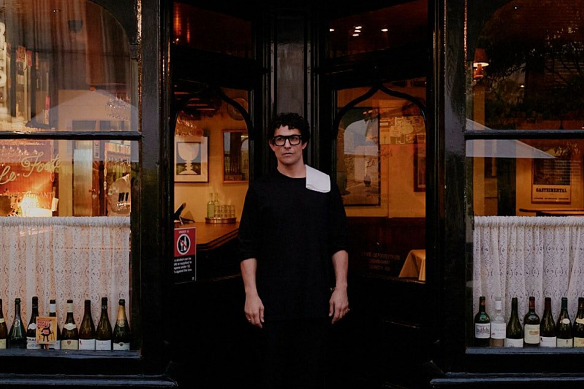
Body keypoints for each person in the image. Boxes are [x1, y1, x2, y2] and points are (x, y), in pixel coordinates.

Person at [238, 112, 350, 389]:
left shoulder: (325, 186)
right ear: (271, 145)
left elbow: (339, 242)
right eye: (280, 139)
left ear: (304, 143)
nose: (287, 145)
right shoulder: (260, 189)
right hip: (270, 305)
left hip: (317, 303)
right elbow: (247, 246)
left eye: (293, 138)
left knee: (313, 377)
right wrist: (251, 294)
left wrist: (341, 288)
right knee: (273, 377)